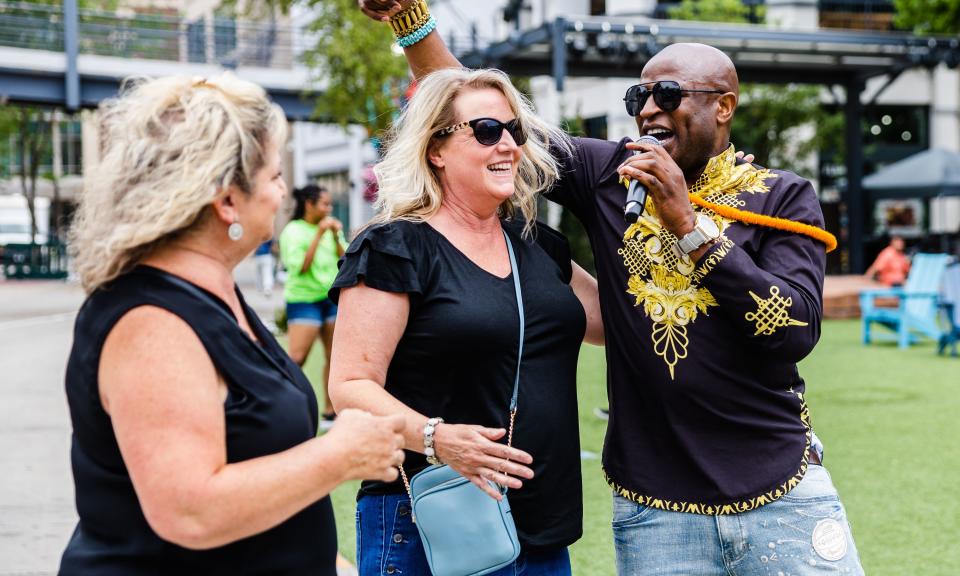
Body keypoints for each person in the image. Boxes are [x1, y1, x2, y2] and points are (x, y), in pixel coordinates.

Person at [358, 0, 864, 575]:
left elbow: (791, 332)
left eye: (668, 96)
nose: (648, 109)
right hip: (655, 506)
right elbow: (475, 118)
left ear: (724, 106)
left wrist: (689, 226)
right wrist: (412, 22)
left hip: (780, 485)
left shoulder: (783, 196)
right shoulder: (610, 174)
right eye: (638, 97)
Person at [59, 73, 405, 575]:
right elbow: (189, 510)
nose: (283, 192)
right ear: (226, 202)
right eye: (274, 176)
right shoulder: (151, 321)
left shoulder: (214, 290)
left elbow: (258, 461)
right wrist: (341, 456)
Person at [328, 67, 605, 576]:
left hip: (544, 528)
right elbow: (348, 385)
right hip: (432, 522)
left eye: (514, 130)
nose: (507, 145)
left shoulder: (539, 246)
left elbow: (611, 324)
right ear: (436, 148)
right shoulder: (394, 246)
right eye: (485, 131)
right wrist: (437, 438)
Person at [279, 185, 347, 428]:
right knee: (296, 358)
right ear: (309, 204)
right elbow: (300, 268)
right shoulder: (293, 231)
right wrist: (318, 234)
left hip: (330, 299)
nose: (329, 209)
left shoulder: (330, 230)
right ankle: (281, 407)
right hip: (304, 301)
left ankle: (330, 411)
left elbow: (345, 261)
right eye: (324, 204)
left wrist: (334, 236)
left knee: (334, 356)